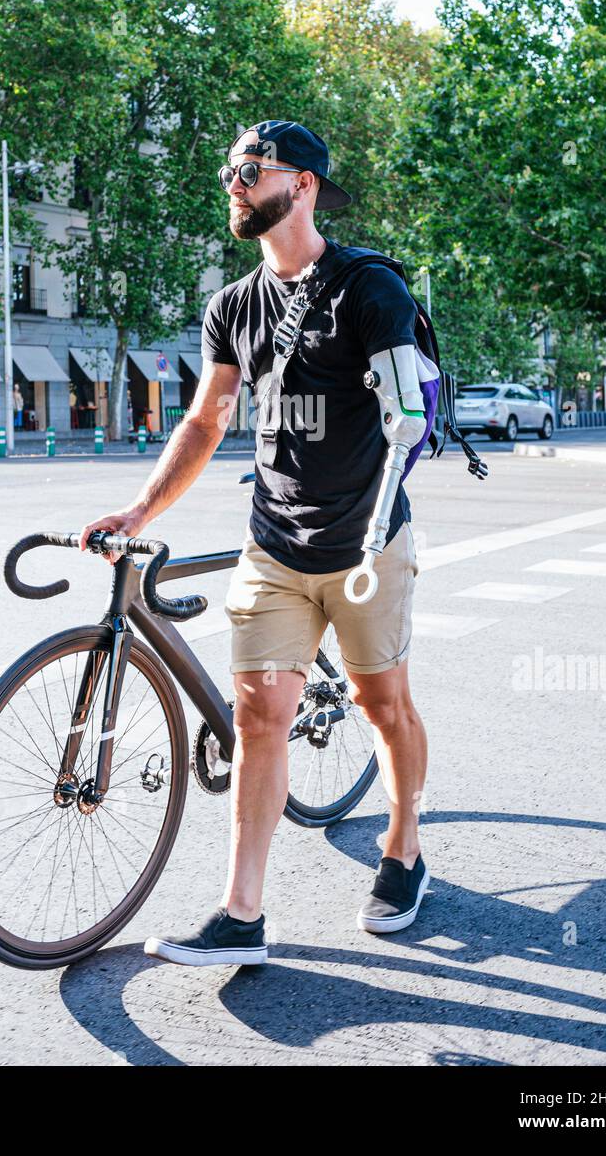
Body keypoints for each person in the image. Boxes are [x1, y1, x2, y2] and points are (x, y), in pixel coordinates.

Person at [80, 120, 429, 967]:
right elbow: (207, 417)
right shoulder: (231, 306)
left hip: (363, 546)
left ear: (302, 184)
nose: (233, 185)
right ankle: (242, 914)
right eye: (228, 172)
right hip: (273, 543)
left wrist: (376, 529)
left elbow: (410, 419)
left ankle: (406, 845)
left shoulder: (367, 289)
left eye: (249, 171)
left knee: (383, 706)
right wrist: (140, 512)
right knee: (261, 713)